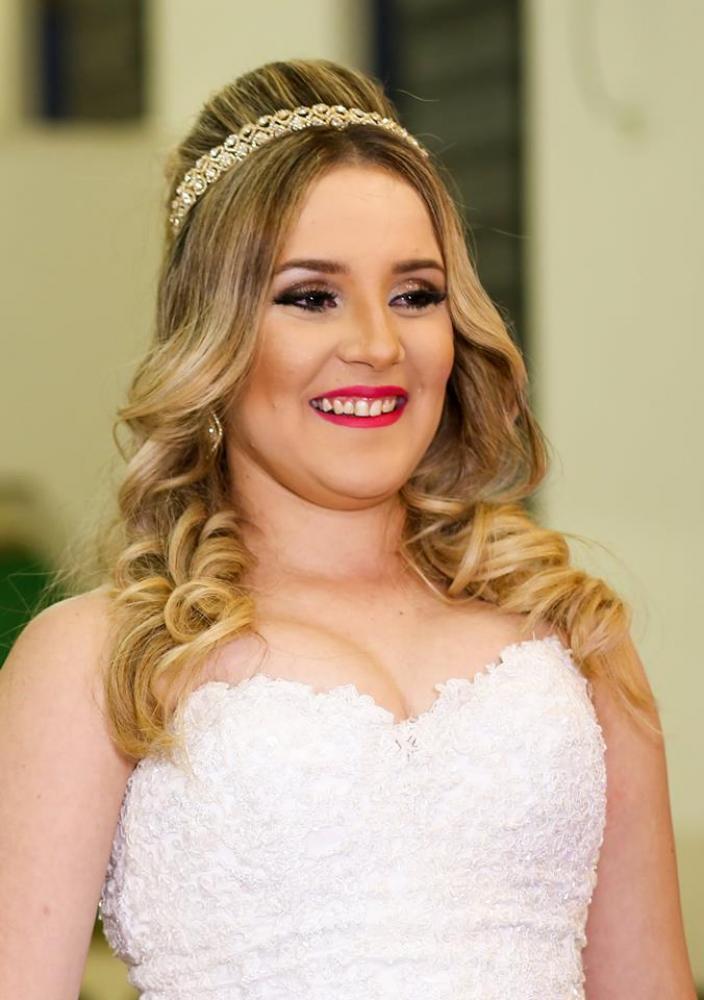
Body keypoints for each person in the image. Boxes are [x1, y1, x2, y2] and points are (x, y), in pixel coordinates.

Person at [0, 58, 696, 1000]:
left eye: (416, 294)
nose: (377, 344)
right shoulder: (99, 662)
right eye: (310, 296)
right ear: (214, 337)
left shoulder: (573, 634)